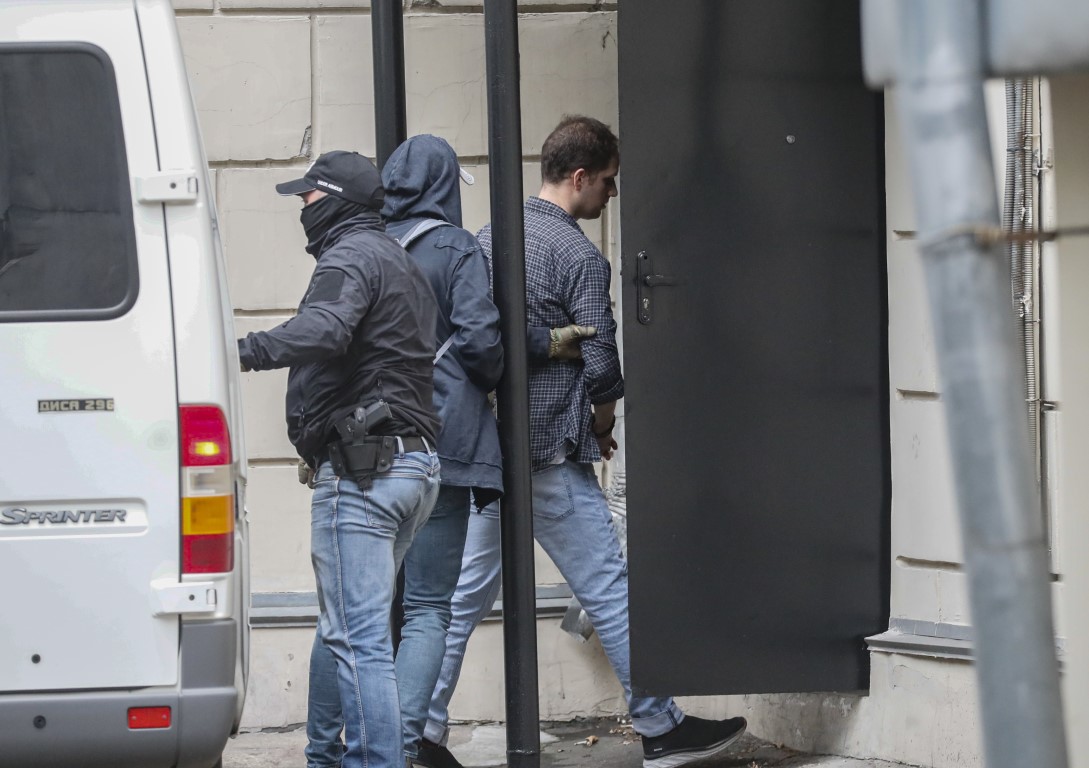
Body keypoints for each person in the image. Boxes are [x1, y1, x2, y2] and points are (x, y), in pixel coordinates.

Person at [416, 116, 748, 768]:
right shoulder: (579, 258)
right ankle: (660, 726)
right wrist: (602, 426)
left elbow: (475, 338)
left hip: (490, 450)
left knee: (461, 598)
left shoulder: (488, 238)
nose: (611, 194)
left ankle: (418, 733)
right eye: (607, 181)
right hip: (547, 450)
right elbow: (601, 368)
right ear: (579, 177)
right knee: (609, 587)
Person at [303, 135, 600, 768]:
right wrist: (524, 355)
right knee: (428, 608)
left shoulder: (360, 248)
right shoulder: (455, 247)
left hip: (359, 448)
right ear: (442, 188)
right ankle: (403, 747)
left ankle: (323, 753)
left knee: (345, 617)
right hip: (441, 448)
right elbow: (483, 346)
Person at [237, 150, 442, 768]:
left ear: (335, 200)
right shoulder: (400, 262)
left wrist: (241, 348)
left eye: (308, 196)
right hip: (412, 469)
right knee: (345, 626)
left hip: (366, 474)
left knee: (359, 639)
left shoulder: (349, 256)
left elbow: (326, 329)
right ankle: (323, 756)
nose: (302, 206)